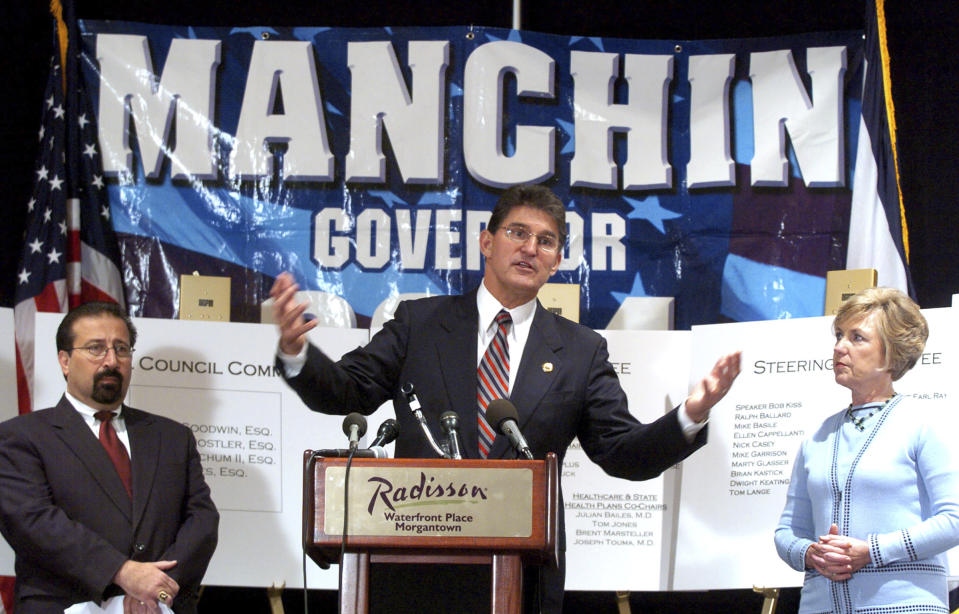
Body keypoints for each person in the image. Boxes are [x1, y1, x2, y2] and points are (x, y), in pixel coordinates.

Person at [272, 184, 740, 613]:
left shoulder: (580, 350)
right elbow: (346, 389)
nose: (530, 248)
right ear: (487, 242)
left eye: (546, 240)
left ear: (556, 262)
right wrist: (297, 354)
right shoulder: (420, 324)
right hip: (411, 572)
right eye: (517, 232)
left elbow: (623, 453)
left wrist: (691, 414)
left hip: (521, 578)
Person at [0, 303, 219, 614]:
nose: (112, 361)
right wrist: (123, 572)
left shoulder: (172, 438)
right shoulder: (20, 437)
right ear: (65, 361)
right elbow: (34, 524)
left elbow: (203, 521)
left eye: (122, 349)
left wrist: (158, 588)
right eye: (96, 349)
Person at [774, 287, 959, 613]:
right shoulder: (816, 438)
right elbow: (787, 532)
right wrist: (809, 554)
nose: (839, 347)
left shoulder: (923, 425)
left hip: (905, 606)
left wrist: (872, 550)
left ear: (892, 353)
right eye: (839, 335)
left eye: (857, 338)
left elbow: (954, 520)